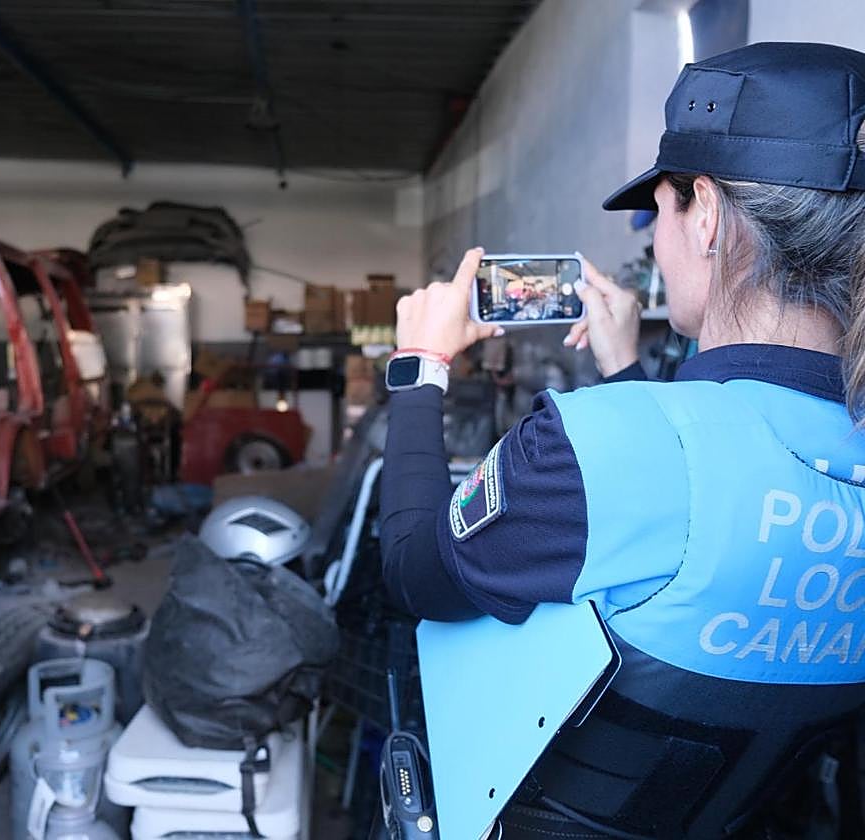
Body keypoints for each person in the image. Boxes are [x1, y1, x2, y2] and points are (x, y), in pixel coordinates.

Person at [380, 42, 865, 839]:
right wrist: (623, 377)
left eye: (663, 210)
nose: (660, 239)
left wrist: (420, 367)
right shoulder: (638, 433)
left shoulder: (594, 448)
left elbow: (412, 570)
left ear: (704, 213)